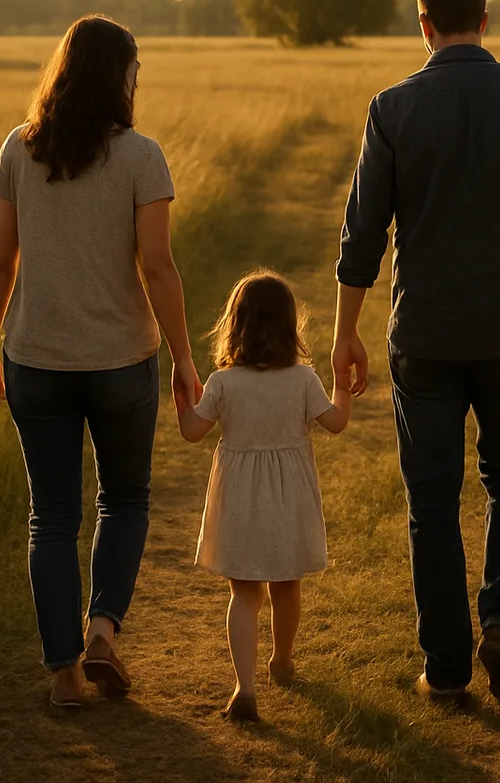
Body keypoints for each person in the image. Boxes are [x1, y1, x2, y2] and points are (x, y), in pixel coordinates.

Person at [332, 0, 500, 703]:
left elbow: (363, 236)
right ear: (486, 21)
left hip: (426, 335)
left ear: (424, 25)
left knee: (432, 502)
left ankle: (446, 668)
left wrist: (346, 331)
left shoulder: (392, 108)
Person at [0, 15, 203, 710]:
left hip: (35, 358)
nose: (138, 82)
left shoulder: (19, 148)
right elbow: (158, 268)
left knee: (51, 518)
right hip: (122, 360)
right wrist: (185, 359)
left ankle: (64, 675)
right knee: (125, 499)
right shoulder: (141, 156)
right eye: (135, 71)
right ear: (119, 77)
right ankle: (103, 631)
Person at [177, 270, 351, 723]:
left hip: (239, 498)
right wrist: (344, 386)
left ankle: (245, 686)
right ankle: (282, 659)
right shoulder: (303, 379)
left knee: (245, 592)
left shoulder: (223, 382)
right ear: (290, 326)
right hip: (288, 497)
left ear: (235, 326)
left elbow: (192, 432)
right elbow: (335, 423)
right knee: (286, 584)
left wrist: (183, 398)